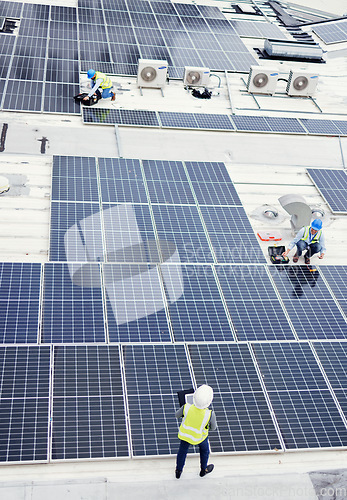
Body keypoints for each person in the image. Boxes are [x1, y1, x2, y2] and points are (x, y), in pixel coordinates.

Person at [175, 384, 217, 479]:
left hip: (185, 436)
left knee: (182, 452)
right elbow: (213, 428)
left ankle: (178, 471)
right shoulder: (209, 414)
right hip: (200, 438)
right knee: (205, 451)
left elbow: (177, 415)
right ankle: (203, 470)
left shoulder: (186, 407)